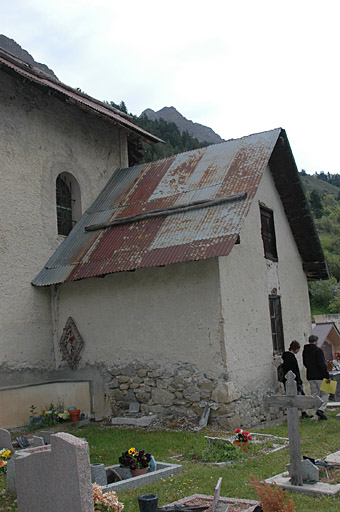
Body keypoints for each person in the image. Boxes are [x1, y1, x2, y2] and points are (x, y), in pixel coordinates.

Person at [282, 340, 312, 419]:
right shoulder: (291, 357)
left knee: (296, 396)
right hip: (295, 381)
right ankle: (303, 412)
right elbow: (295, 370)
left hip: (287, 381)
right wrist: (299, 380)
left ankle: (303, 412)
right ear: (295, 348)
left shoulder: (285, 357)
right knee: (300, 397)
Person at [302, 334, 330, 420]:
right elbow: (322, 364)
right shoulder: (318, 350)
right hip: (320, 376)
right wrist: (326, 375)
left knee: (314, 395)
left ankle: (317, 411)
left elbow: (305, 363)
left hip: (310, 376)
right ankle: (321, 410)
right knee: (325, 394)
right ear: (316, 341)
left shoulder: (305, 351)